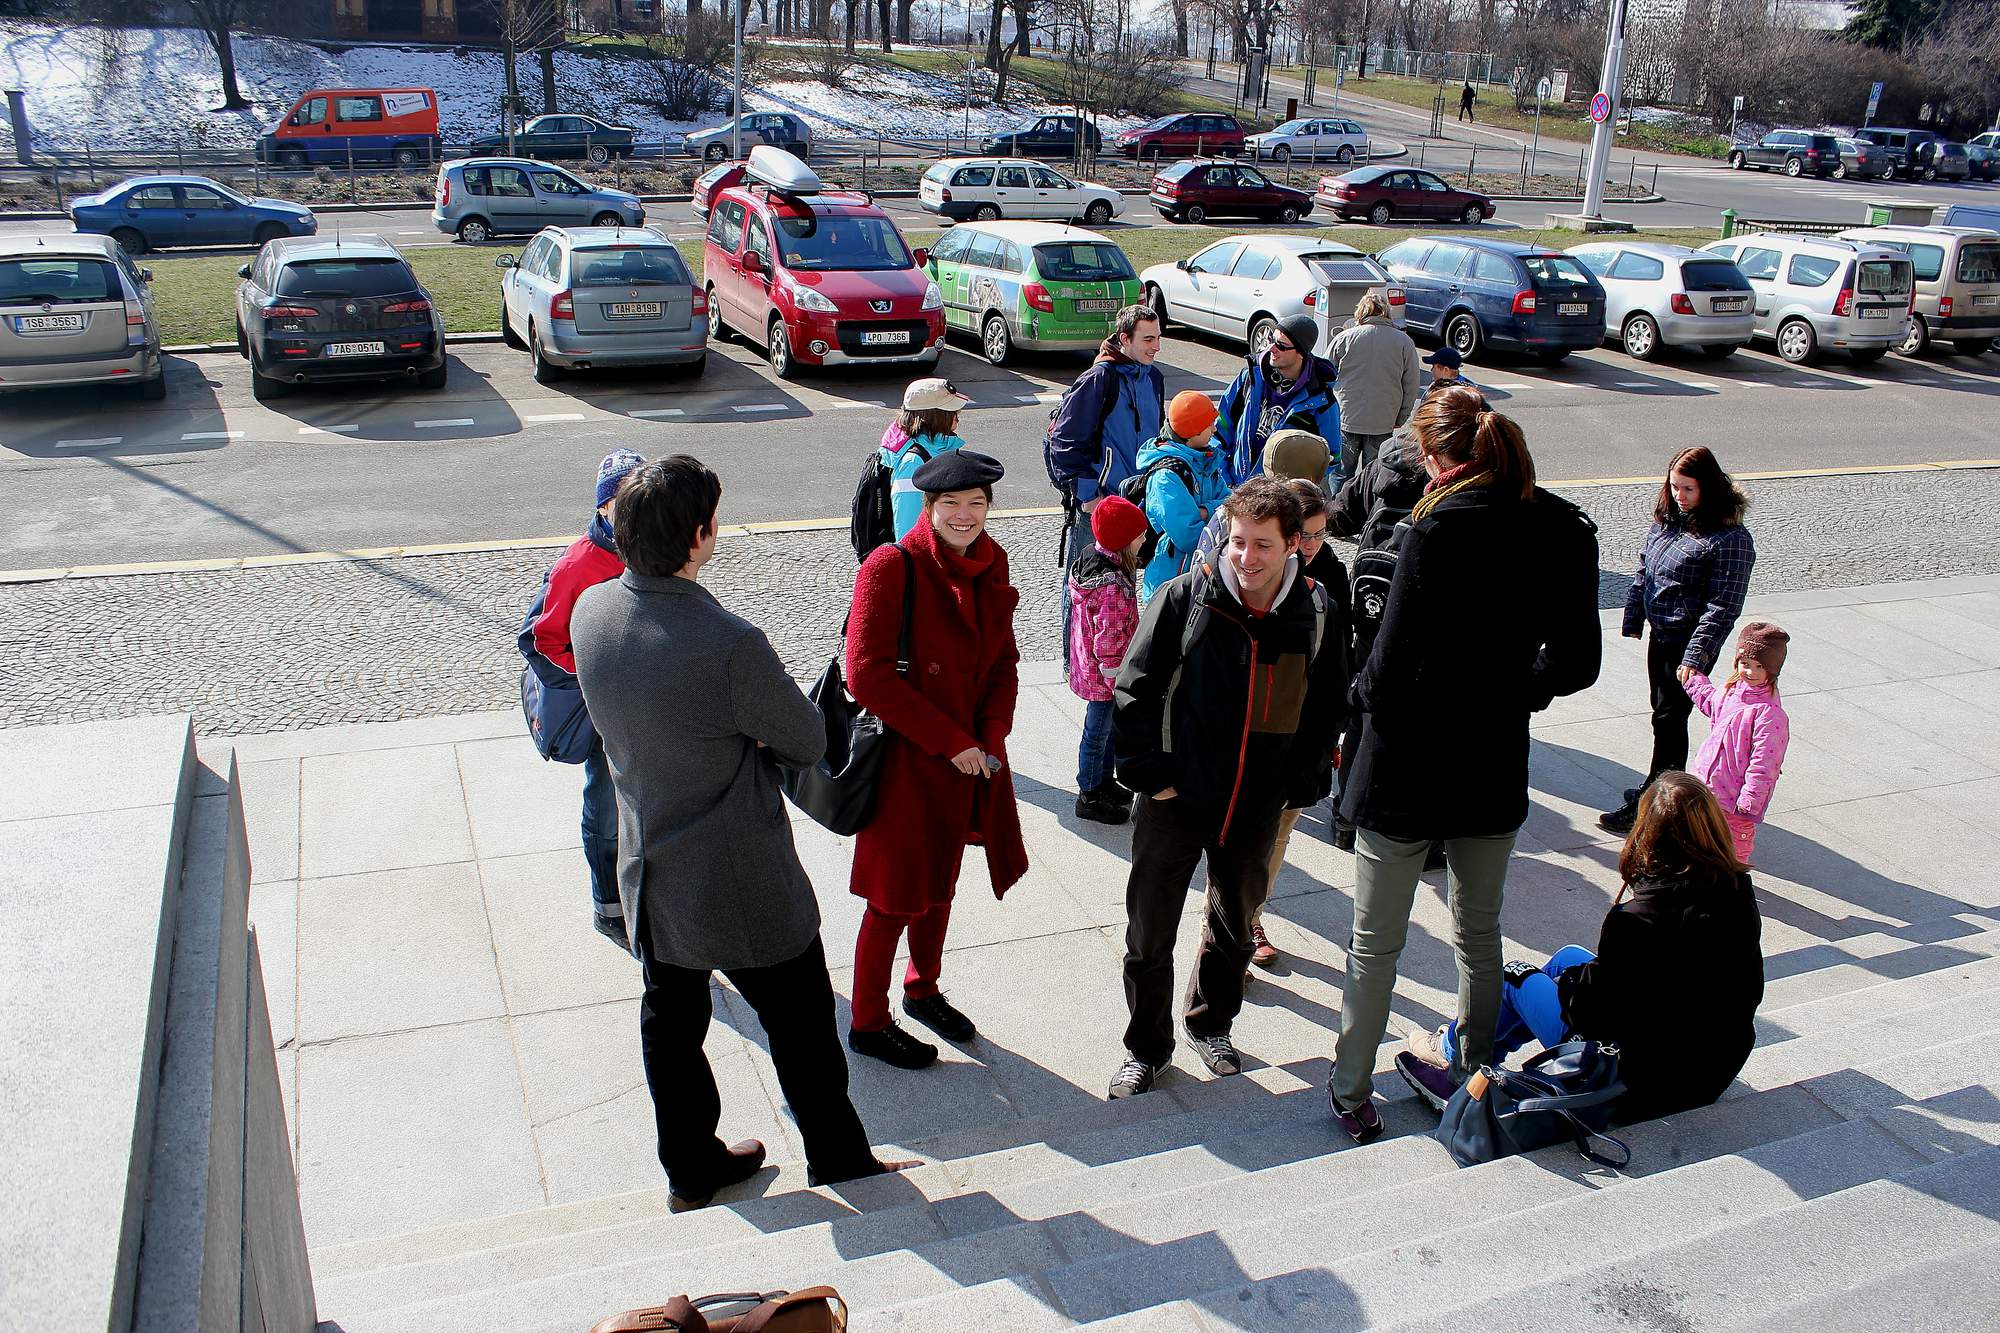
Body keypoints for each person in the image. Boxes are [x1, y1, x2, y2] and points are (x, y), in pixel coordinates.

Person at [570, 456, 907, 1211]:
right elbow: (807, 737)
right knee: (803, 1029)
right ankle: (842, 1161)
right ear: (697, 537)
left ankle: (690, 1166)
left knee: (671, 1021)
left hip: (649, 872)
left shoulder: (589, 611)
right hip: (740, 877)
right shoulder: (729, 642)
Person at [1328, 387, 1601, 1142]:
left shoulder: (1434, 526)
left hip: (1404, 764)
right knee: (1478, 933)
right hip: (1490, 759)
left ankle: (1352, 1088)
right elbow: (1578, 662)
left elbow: (1385, 668)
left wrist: (1349, 701)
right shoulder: (1563, 526)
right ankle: (1477, 1073)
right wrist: (1514, 687)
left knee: (1374, 941)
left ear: (1437, 457)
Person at [1108, 477, 1348, 1100]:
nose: (1247, 557)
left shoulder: (1315, 609)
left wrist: (1304, 780)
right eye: (1239, 542)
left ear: (1294, 545)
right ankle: (1146, 1048)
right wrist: (1148, 775)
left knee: (1235, 924)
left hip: (1256, 802)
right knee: (1149, 932)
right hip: (1176, 798)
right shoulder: (1186, 598)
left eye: (1263, 545)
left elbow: (1326, 704)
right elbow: (1134, 689)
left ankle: (1211, 1023)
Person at [1400, 773, 1765, 1124]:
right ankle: (1463, 1047)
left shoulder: (1639, 918)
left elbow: (1594, 1014)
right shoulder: (1736, 888)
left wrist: (1573, 986)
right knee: (1568, 957)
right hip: (1713, 1066)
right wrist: (1575, 978)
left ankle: (1458, 1070)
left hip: (1637, 1081)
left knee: (1514, 976)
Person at [845, 449, 1028, 1070]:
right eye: (951, 504)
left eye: (976, 504)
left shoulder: (992, 560)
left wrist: (990, 735)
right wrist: (953, 742)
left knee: (942, 883)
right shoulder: (891, 566)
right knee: (893, 895)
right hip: (908, 760)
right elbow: (865, 677)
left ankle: (922, 988)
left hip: (970, 760)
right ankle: (868, 1020)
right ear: (928, 507)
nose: (965, 515)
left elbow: (1003, 661)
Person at [1600, 447, 1756, 835]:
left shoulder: (1729, 539)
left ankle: (1660, 804)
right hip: (1663, 634)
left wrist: (1695, 657)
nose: (1679, 496)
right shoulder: (1670, 520)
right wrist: (1635, 616)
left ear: (1710, 488)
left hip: (1687, 642)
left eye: (1688, 488)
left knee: (1671, 719)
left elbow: (1723, 606)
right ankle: (1658, 790)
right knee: (1662, 715)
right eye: (1674, 487)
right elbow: (1645, 569)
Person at [528, 448, 645, 950]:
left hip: (646, 705)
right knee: (605, 808)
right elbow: (539, 641)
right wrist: (595, 675)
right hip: (602, 711)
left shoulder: (652, 547)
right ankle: (608, 906)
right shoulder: (578, 564)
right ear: (604, 507)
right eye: (625, 498)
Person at [1248, 477, 1353, 970]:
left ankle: (1250, 917)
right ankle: (1229, 923)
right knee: (1245, 838)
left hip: (1304, 736)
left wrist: (1330, 734)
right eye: (1303, 535)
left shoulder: (1332, 577)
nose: (1312, 546)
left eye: (1320, 534)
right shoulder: (1255, 575)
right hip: (1253, 736)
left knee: (1280, 833)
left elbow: (1340, 668)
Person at [1047, 304, 1167, 564]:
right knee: (1086, 588)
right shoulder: (1099, 378)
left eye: (1158, 337)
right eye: (1148, 339)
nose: (1156, 346)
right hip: (1099, 507)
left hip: (1136, 504)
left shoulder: (1154, 378)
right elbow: (1064, 440)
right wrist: (1089, 496)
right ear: (1125, 338)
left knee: (1122, 587)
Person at [1681, 622, 1792, 862]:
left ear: (1772, 670)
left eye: (1759, 666)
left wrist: (1751, 799)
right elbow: (1710, 702)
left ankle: (1735, 883)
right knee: (1700, 836)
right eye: (1745, 664)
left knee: (1734, 847)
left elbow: (1765, 762)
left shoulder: (1770, 714)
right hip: (1706, 785)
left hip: (1736, 797)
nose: (1750, 672)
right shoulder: (1730, 692)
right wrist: (1693, 680)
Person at [1067, 495, 1148, 826]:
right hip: (1105, 677)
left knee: (1107, 731)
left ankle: (1103, 781)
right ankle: (1088, 793)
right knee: (1098, 733)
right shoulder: (1112, 585)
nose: (1144, 539)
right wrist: (1118, 680)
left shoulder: (1095, 559)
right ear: (1123, 540)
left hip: (1095, 670)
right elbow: (1109, 640)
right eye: (1139, 535)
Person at [1215, 313, 1343, 489]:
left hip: (1281, 501)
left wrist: (1294, 488)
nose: (1271, 348)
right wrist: (1224, 478)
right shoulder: (1250, 377)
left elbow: (1332, 457)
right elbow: (1220, 428)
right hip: (1234, 489)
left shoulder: (1321, 401)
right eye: (1271, 340)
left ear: (1301, 354)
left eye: (1281, 346)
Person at [1135, 390, 1230, 603]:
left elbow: (1232, 504)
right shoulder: (1165, 477)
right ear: (1192, 432)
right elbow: (1189, 537)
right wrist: (1218, 513)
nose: (1214, 429)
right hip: (1170, 584)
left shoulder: (1205, 460)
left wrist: (1205, 510)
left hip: (1199, 577)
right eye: (1209, 424)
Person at [1326, 293, 1422, 483]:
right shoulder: (1404, 342)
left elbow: (1325, 375)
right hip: (1383, 419)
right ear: (1386, 312)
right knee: (1373, 475)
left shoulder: (1344, 338)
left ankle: (1337, 510)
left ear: (1360, 313)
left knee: (1340, 474)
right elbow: (1411, 384)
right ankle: (1368, 511)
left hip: (1346, 417)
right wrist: (1401, 417)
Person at [879, 377, 971, 540]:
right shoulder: (913, 463)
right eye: (952, 411)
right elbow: (907, 532)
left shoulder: (939, 448)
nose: (958, 415)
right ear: (933, 415)